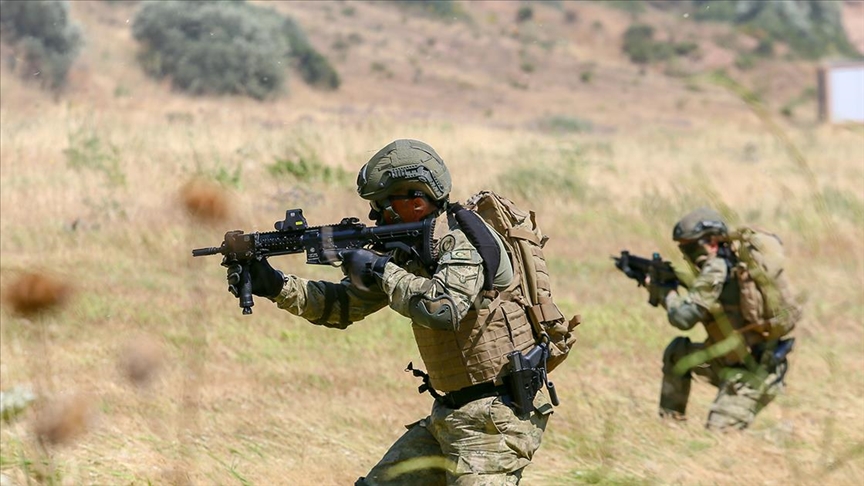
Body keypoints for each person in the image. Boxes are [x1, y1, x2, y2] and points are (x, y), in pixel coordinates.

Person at [226, 139, 553, 485]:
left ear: (417, 200)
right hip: (451, 414)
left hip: (495, 422)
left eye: (383, 204)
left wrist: (380, 269)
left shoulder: (463, 240)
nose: (375, 216)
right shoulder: (410, 251)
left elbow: (443, 309)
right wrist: (275, 285)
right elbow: (342, 307)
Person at [646, 207, 791, 431]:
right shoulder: (729, 266)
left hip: (753, 375)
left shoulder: (717, 268)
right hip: (726, 364)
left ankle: (780, 434)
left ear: (713, 243)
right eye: (684, 248)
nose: (689, 254)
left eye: (692, 247)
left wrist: (666, 293)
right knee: (679, 354)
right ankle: (670, 425)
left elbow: (683, 319)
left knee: (720, 435)